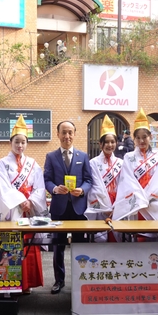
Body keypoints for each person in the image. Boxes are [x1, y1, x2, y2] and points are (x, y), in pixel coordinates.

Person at [0, 115, 47, 294]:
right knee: (11, 244)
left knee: (28, 245)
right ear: (11, 142)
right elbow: (3, 188)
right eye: (17, 142)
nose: (20, 146)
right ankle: (11, 282)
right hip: (13, 211)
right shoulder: (2, 164)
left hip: (29, 211)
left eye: (23, 142)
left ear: (27, 143)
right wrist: (20, 201)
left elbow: (40, 187)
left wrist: (31, 201)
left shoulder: (33, 164)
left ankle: (27, 284)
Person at [44, 119, 92, 294]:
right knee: (58, 246)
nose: (67, 136)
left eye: (70, 132)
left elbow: (89, 180)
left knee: (80, 245)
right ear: (58, 134)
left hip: (79, 209)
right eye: (63, 132)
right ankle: (59, 280)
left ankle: (81, 280)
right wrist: (54, 189)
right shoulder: (51, 156)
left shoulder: (83, 156)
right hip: (59, 208)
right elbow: (47, 179)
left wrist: (83, 190)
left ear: (74, 134)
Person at [84, 115, 146, 242]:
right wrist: (106, 208)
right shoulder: (93, 163)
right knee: (100, 240)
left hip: (118, 206)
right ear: (100, 144)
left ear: (116, 143)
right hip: (102, 207)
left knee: (119, 241)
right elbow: (95, 187)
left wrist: (118, 206)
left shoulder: (121, 162)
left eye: (112, 142)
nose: (109, 145)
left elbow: (125, 185)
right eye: (106, 142)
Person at [115, 109, 158, 239]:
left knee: (154, 236)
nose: (141, 140)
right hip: (137, 203)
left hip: (153, 201)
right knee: (137, 235)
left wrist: (149, 197)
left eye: (144, 137)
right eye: (138, 137)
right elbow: (127, 180)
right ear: (134, 139)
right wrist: (141, 198)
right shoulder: (128, 157)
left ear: (150, 137)